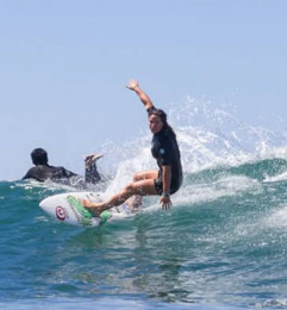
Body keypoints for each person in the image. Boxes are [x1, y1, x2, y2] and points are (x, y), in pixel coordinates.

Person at [82, 79, 182, 216]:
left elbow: (167, 171)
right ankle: (136, 206)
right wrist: (136, 88)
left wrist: (165, 194)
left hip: (170, 182)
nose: (152, 125)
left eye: (156, 123)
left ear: (163, 122)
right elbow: (147, 103)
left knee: (130, 188)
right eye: (151, 122)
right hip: (168, 175)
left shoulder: (163, 143)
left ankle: (98, 209)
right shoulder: (160, 126)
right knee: (137, 177)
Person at [22, 148, 103, 186]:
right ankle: (90, 165)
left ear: (33, 161)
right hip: (68, 183)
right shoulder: (61, 169)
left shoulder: (34, 170)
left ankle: (89, 164)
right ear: (47, 158)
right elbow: (80, 178)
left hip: (56, 184)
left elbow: (21, 183)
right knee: (91, 183)